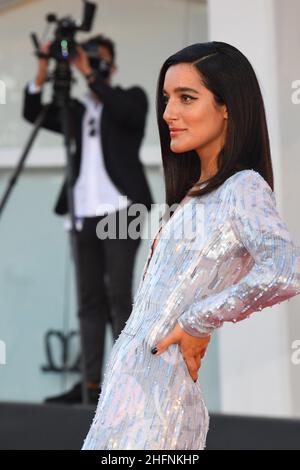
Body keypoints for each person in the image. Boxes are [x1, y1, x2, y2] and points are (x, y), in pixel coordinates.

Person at [82, 41, 300, 450]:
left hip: (157, 404)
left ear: (227, 107)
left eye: (186, 98)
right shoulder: (193, 194)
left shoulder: (243, 187)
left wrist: (200, 319)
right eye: (167, 98)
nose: (168, 113)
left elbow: (286, 269)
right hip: (127, 394)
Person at [23, 34, 153, 404]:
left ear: (112, 66)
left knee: (118, 294)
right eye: (88, 58)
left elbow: (126, 113)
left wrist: (90, 74)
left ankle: (131, 380)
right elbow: (32, 114)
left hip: (124, 209)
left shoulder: (131, 99)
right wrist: (44, 67)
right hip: (83, 213)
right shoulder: (76, 111)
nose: (92, 64)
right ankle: (91, 385)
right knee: (89, 298)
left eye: (99, 60)